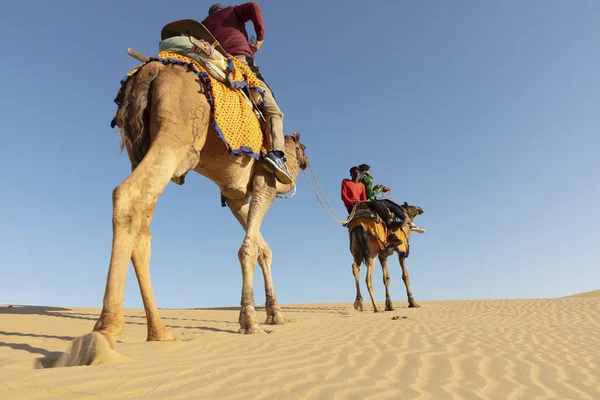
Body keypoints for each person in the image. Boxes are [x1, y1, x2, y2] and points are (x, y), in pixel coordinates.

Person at [202, 3, 292, 185]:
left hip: (212, 65)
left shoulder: (202, 26)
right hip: (240, 64)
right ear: (221, 9)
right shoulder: (231, 11)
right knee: (274, 111)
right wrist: (259, 37)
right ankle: (276, 155)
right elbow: (253, 6)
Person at [358, 164, 426, 234]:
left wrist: (375, 189)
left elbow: (365, 192)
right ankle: (407, 223)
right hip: (367, 201)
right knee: (390, 204)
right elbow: (368, 195)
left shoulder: (358, 180)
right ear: (367, 170)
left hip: (361, 202)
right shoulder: (368, 179)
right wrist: (380, 190)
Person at [341, 167, 403, 232]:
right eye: (354, 171)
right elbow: (343, 196)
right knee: (387, 204)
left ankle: (390, 223)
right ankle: (401, 218)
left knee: (377, 204)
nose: (356, 173)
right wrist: (352, 202)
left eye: (358, 171)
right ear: (350, 174)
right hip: (352, 206)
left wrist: (362, 202)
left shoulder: (361, 185)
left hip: (361, 203)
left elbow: (363, 198)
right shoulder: (345, 181)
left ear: (360, 174)